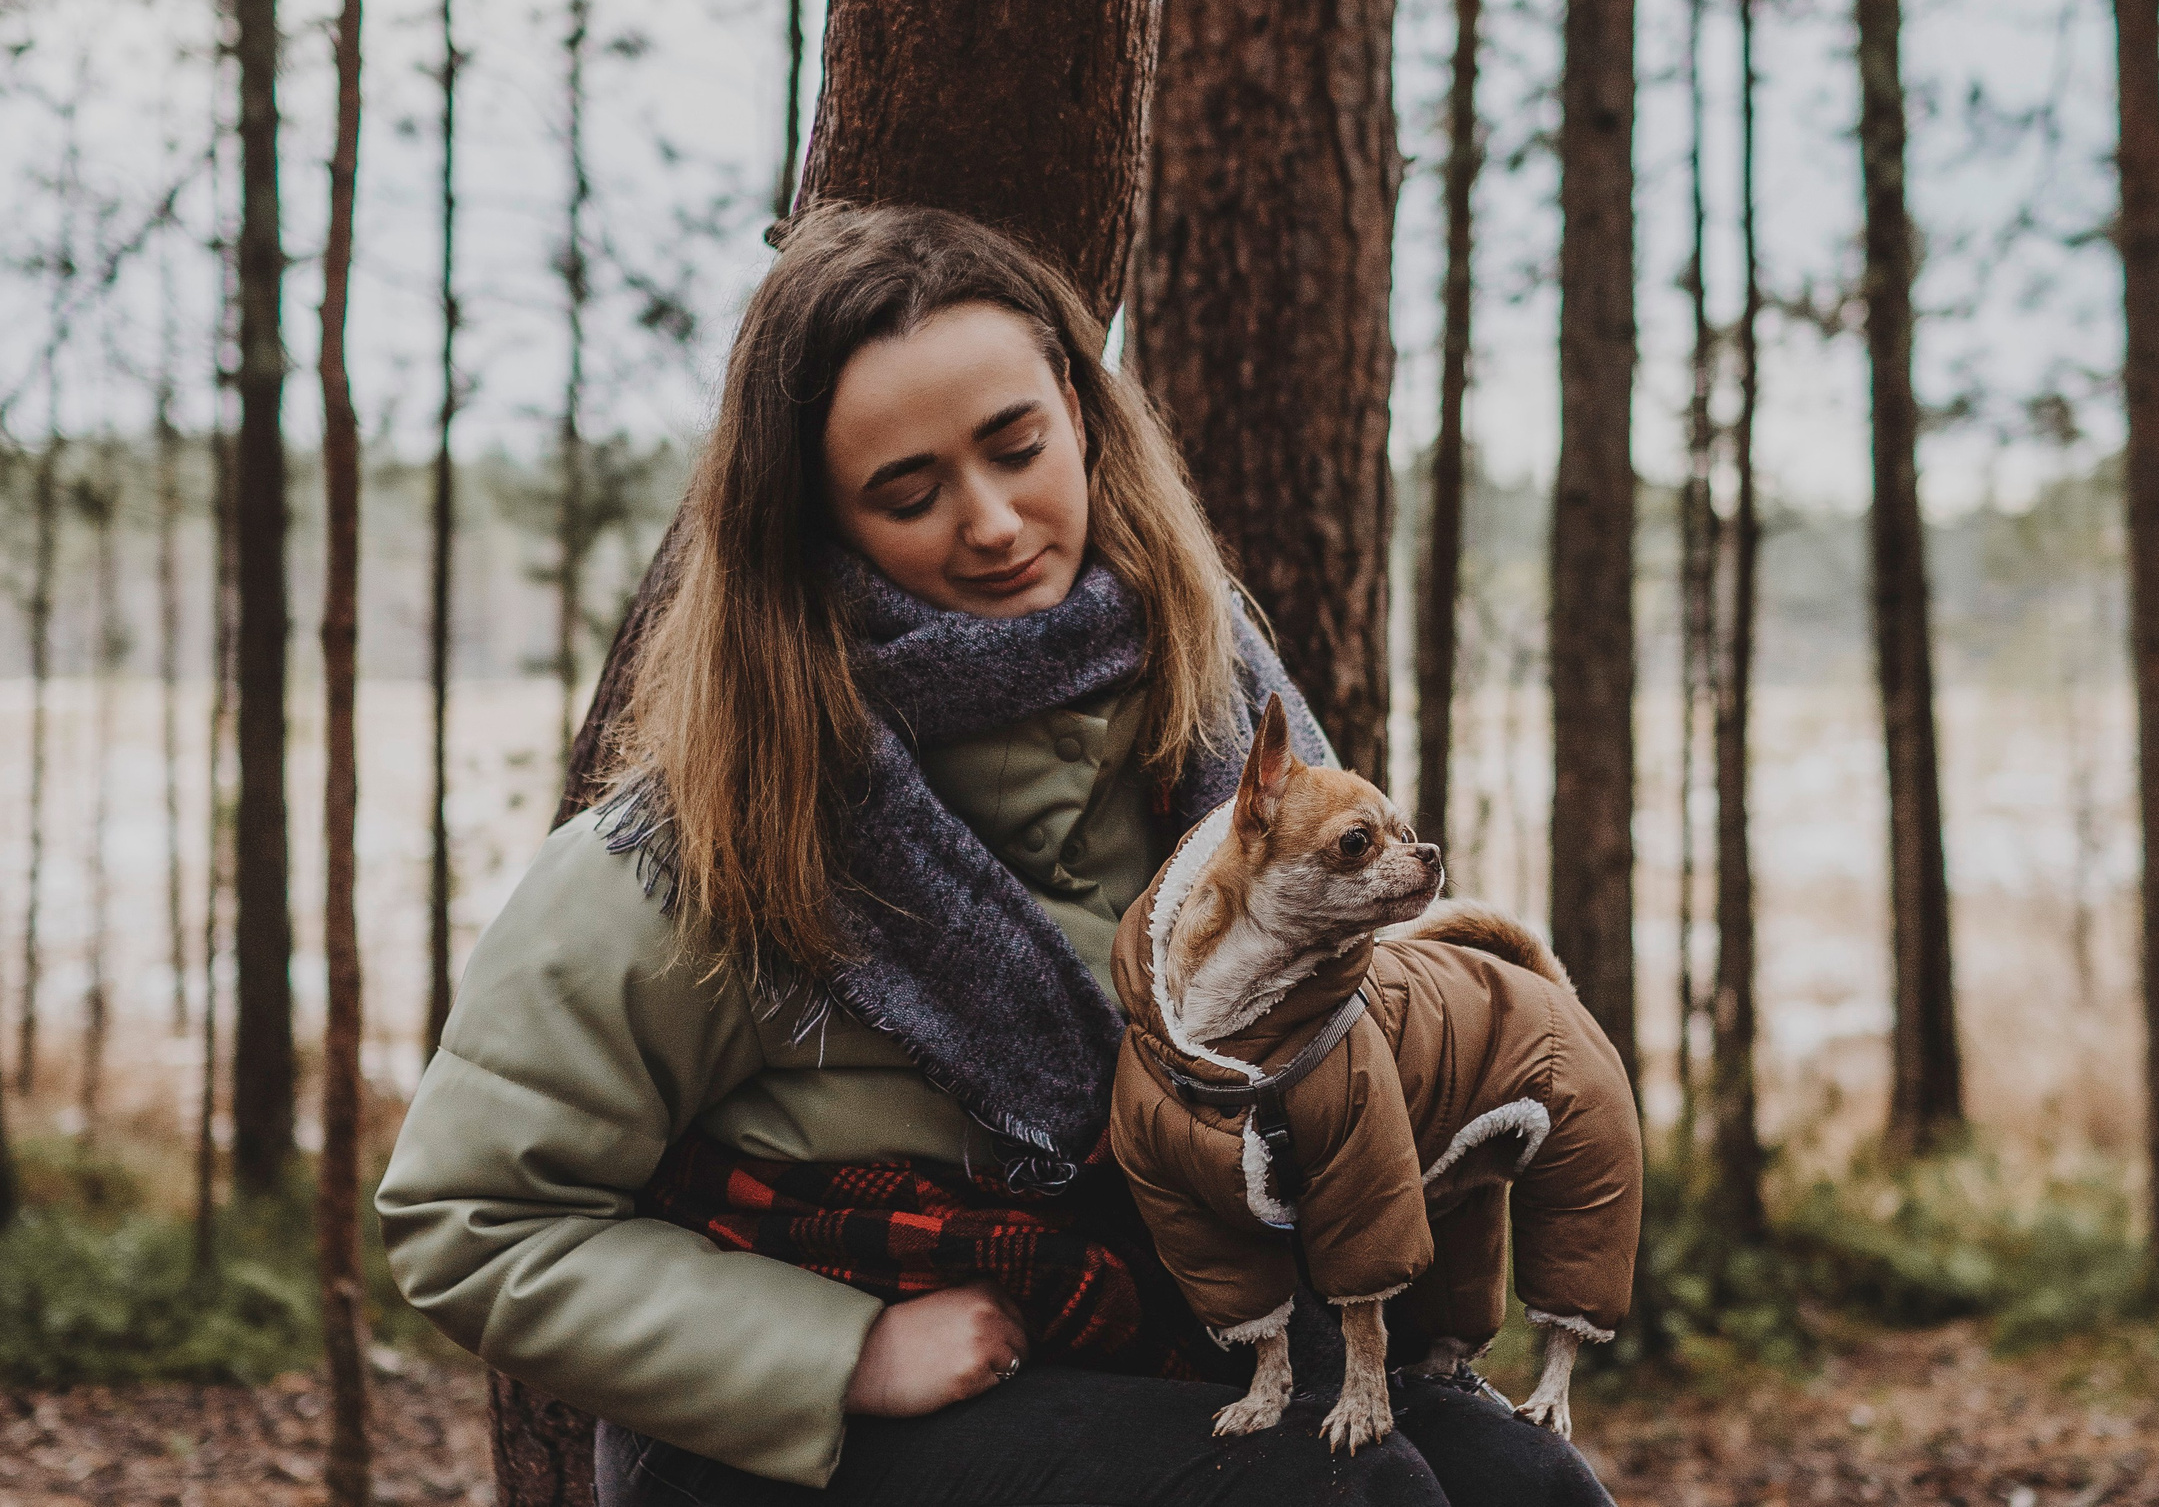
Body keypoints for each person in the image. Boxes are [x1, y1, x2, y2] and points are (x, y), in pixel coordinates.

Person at [377, 204, 1613, 1507]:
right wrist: (842, 1353)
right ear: (815, 523)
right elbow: (471, 1217)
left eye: (1017, 448)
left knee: (1523, 1489)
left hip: (1173, 1334)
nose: (994, 523)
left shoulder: (1220, 718)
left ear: (1079, 413)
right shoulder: (716, 832)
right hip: (792, 1453)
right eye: (908, 494)